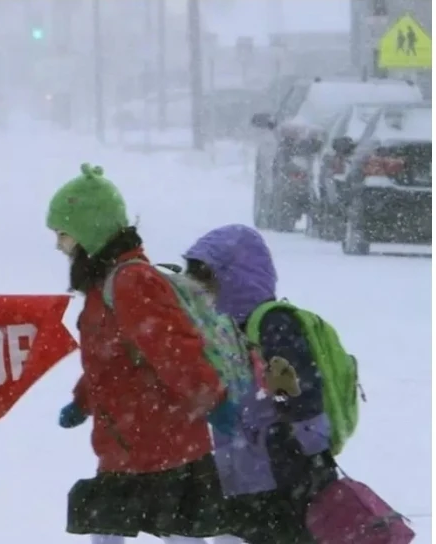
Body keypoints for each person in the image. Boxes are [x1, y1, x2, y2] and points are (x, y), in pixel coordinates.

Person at [47, 164, 232, 544]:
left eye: (63, 234)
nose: (58, 245)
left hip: (164, 441)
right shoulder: (106, 284)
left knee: (176, 534)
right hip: (127, 441)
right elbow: (109, 361)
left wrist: (211, 398)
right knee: (108, 530)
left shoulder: (132, 282)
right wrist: (82, 401)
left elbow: (176, 351)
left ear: (88, 232)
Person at [183, 224, 339, 544]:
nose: (199, 290)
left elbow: (299, 393)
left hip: (282, 474)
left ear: (232, 277)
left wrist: (313, 455)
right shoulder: (224, 330)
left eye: (205, 279)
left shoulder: (272, 324)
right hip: (242, 477)